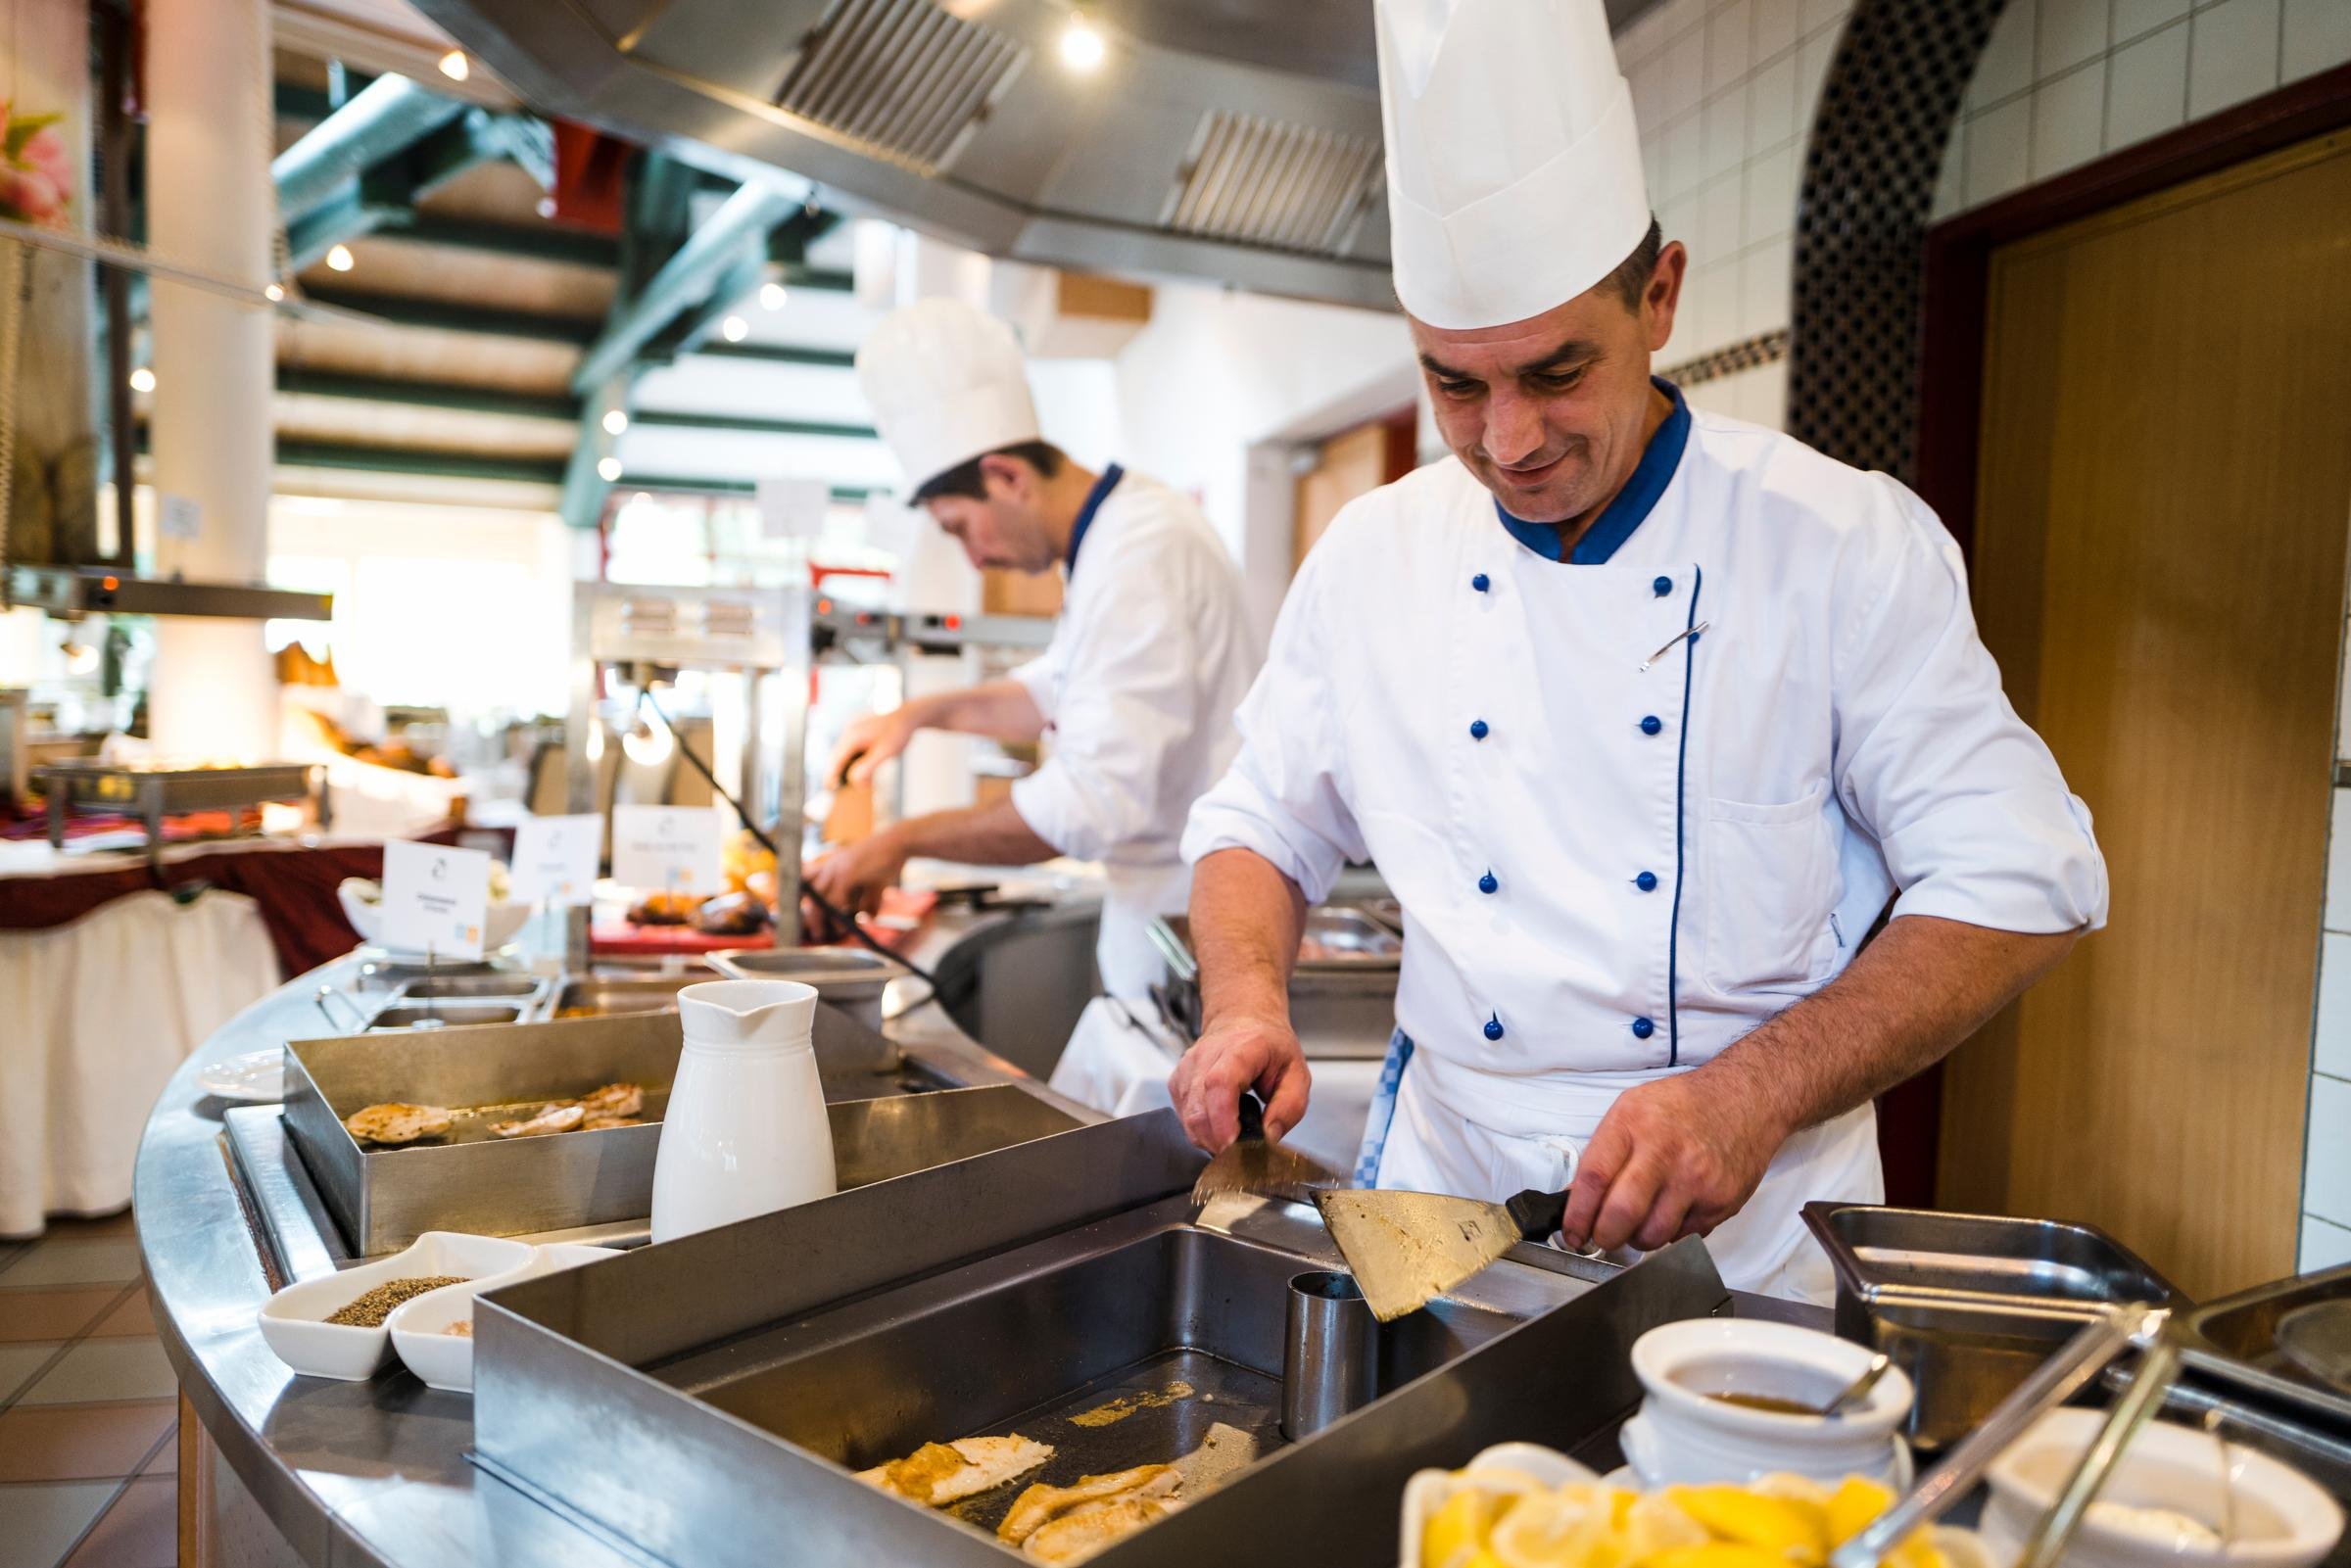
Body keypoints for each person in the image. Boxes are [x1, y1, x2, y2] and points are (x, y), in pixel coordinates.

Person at [1168, 0, 2107, 1302]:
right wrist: (1244, 1004)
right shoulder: (1373, 559)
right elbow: (1258, 825)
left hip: (1747, 1240)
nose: (1507, 442)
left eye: (1556, 374)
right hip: (1442, 1213)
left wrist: (1753, 1088)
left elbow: (2020, 880)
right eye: (1454, 383)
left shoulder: (1838, 544)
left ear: (1659, 296)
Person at [806, 298, 1260, 1000]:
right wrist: (917, 715)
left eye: (962, 527)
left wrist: (896, 841)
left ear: (1008, 477)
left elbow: (1089, 805)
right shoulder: (1113, 536)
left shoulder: (1141, 549)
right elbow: (1055, 688)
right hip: (1158, 919)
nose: (974, 557)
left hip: (1194, 927)